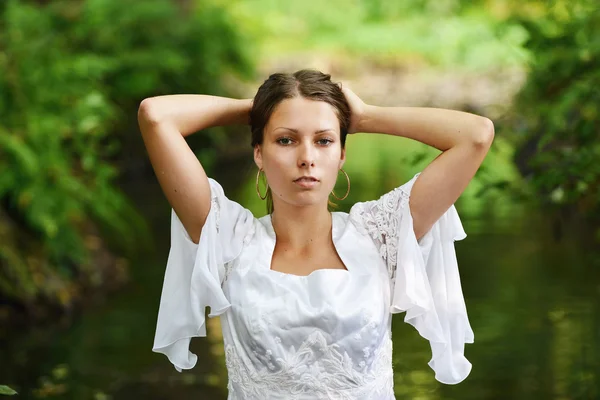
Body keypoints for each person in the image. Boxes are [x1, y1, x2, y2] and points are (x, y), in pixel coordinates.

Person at [138, 69, 494, 399]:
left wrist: (367, 116)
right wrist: (261, 108)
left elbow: (476, 136)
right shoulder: (230, 238)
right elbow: (156, 116)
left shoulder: (380, 233)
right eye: (286, 140)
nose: (307, 157)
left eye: (323, 141)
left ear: (341, 154)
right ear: (259, 153)